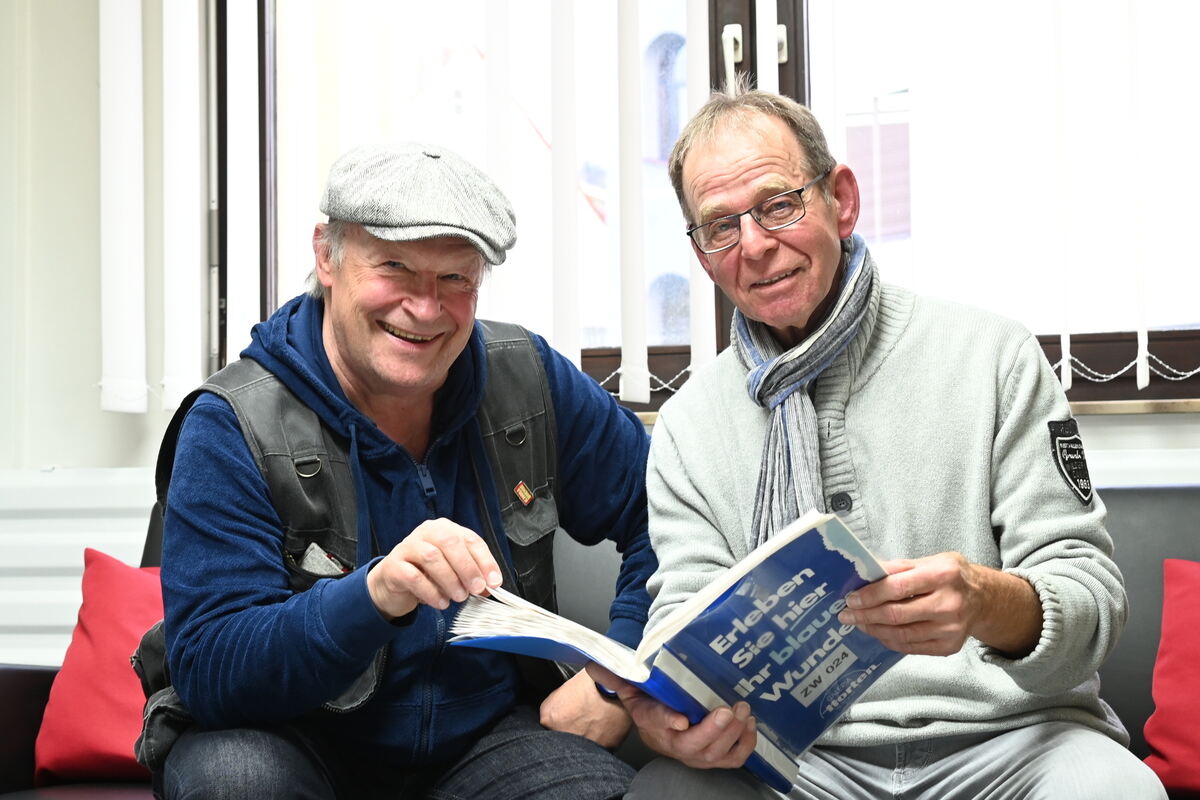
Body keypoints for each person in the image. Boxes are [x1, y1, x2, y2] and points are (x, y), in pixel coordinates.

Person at [588, 86, 1167, 799]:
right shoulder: (688, 425)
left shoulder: (994, 357)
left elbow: (1092, 601)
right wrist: (668, 719)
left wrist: (985, 601)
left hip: (1014, 742)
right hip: (801, 764)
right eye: (720, 226)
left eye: (778, 205)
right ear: (703, 256)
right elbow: (683, 624)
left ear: (842, 200)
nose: (756, 245)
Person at [154, 143, 656, 799]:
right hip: (292, 737)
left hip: (484, 739)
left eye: (455, 279)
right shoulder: (232, 423)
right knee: (236, 783)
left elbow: (672, 516)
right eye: (394, 267)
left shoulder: (529, 379)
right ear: (326, 256)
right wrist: (373, 596)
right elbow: (213, 670)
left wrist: (617, 677)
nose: (424, 307)